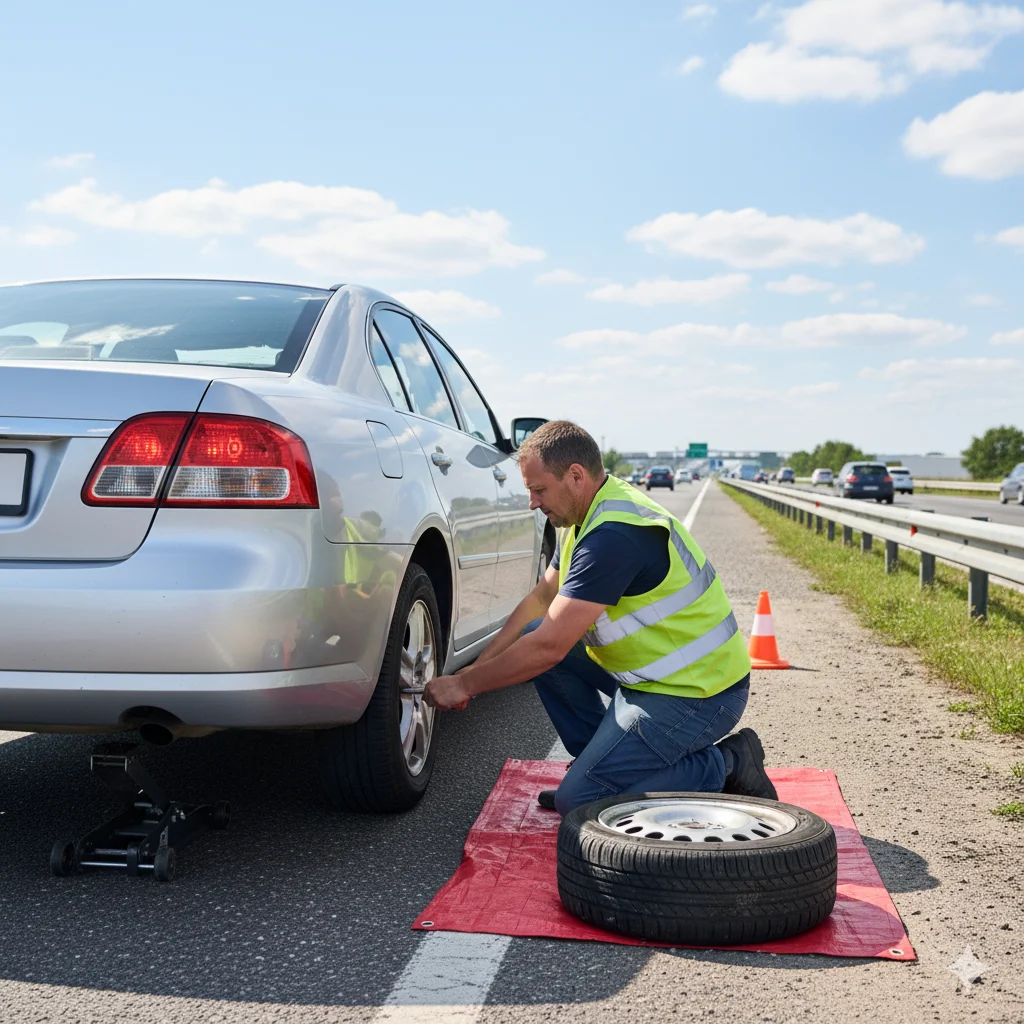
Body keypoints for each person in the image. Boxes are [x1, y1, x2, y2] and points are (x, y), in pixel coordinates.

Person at [424, 420, 776, 814]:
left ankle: (727, 763)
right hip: (652, 678)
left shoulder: (615, 535)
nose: (533, 503)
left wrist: (466, 686)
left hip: (700, 693)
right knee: (537, 629)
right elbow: (541, 600)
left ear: (575, 476)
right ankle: (603, 765)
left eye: (539, 490)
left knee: (581, 799)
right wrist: (470, 672)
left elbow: (549, 648)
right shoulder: (582, 517)